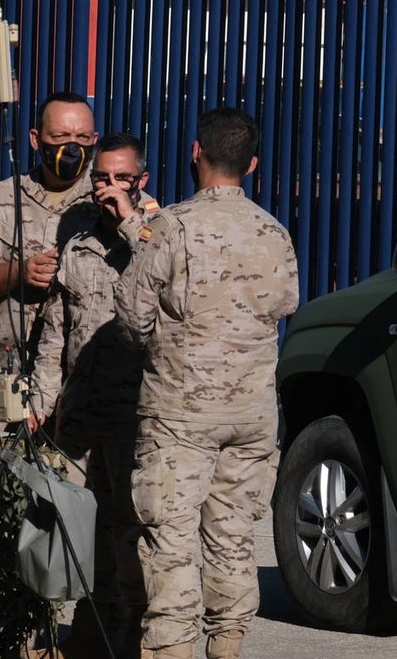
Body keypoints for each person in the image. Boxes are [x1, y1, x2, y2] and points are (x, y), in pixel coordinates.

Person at [113, 108, 299, 659]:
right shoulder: (274, 233)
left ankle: (170, 651)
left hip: (180, 413)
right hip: (252, 414)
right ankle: (229, 646)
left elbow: (131, 314)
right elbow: (283, 306)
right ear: (253, 164)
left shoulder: (172, 226)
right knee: (233, 538)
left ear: (196, 154)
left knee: (170, 543)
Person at [30, 133, 159, 659]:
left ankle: (129, 640)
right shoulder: (78, 243)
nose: (107, 189)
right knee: (79, 534)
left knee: (131, 539)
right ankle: (86, 638)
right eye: (101, 178)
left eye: (120, 179)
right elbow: (56, 334)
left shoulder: (160, 238)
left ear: (141, 182)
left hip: (140, 417)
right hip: (83, 413)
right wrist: (43, 402)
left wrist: (133, 218)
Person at [0, 91, 99, 419]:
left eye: (82, 137)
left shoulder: (110, 198)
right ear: (37, 140)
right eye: (61, 137)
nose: (73, 147)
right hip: (12, 375)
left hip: (83, 386)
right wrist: (19, 272)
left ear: (95, 140)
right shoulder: (5, 195)